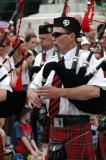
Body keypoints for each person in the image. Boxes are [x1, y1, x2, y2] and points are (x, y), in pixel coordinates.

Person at [28, 16, 105, 159]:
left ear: (71, 36)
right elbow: (33, 86)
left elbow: (95, 91)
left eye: (57, 34)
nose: (53, 38)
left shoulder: (86, 59)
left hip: (77, 128)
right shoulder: (51, 61)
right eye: (52, 34)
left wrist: (60, 92)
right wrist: (31, 93)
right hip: (54, 129)